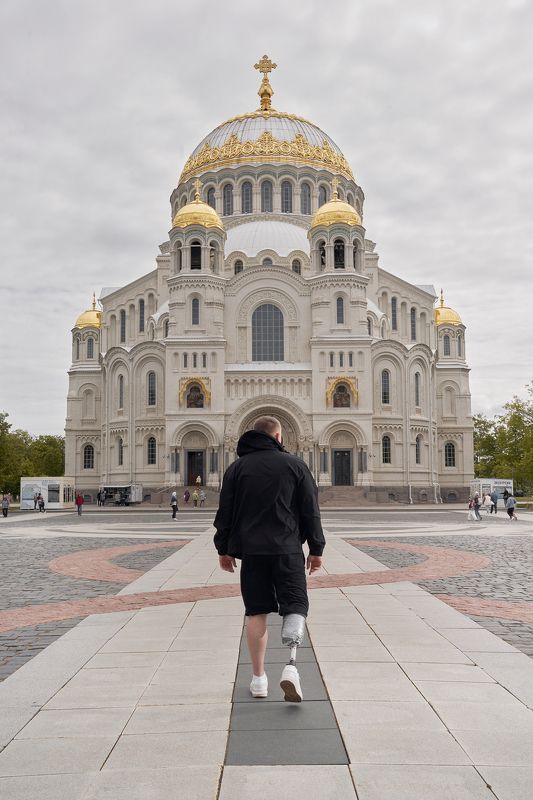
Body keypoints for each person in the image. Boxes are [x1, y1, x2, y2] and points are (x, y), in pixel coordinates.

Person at [214, 415, 325, 703]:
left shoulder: (236, 468)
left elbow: (224, 513)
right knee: (295, 605)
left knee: (256, 612)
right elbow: (310, 510)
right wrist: (316, 549)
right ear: (278, 437)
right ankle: (290, 666)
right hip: (287, 550)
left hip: (252, 552)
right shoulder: (295, 465)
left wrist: (223, 549)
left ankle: (259, 678)